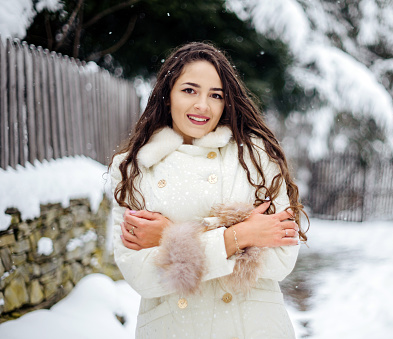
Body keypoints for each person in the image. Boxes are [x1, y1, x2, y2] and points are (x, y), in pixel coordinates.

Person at [109, 41, 307, 339]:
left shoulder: (256, 156)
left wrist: (169, 237)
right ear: (167, 96)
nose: (203, 105)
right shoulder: (133, 168)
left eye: (216, 95)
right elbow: (142, 276)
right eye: (190, 90)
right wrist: (239, 235)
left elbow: (280, 261)